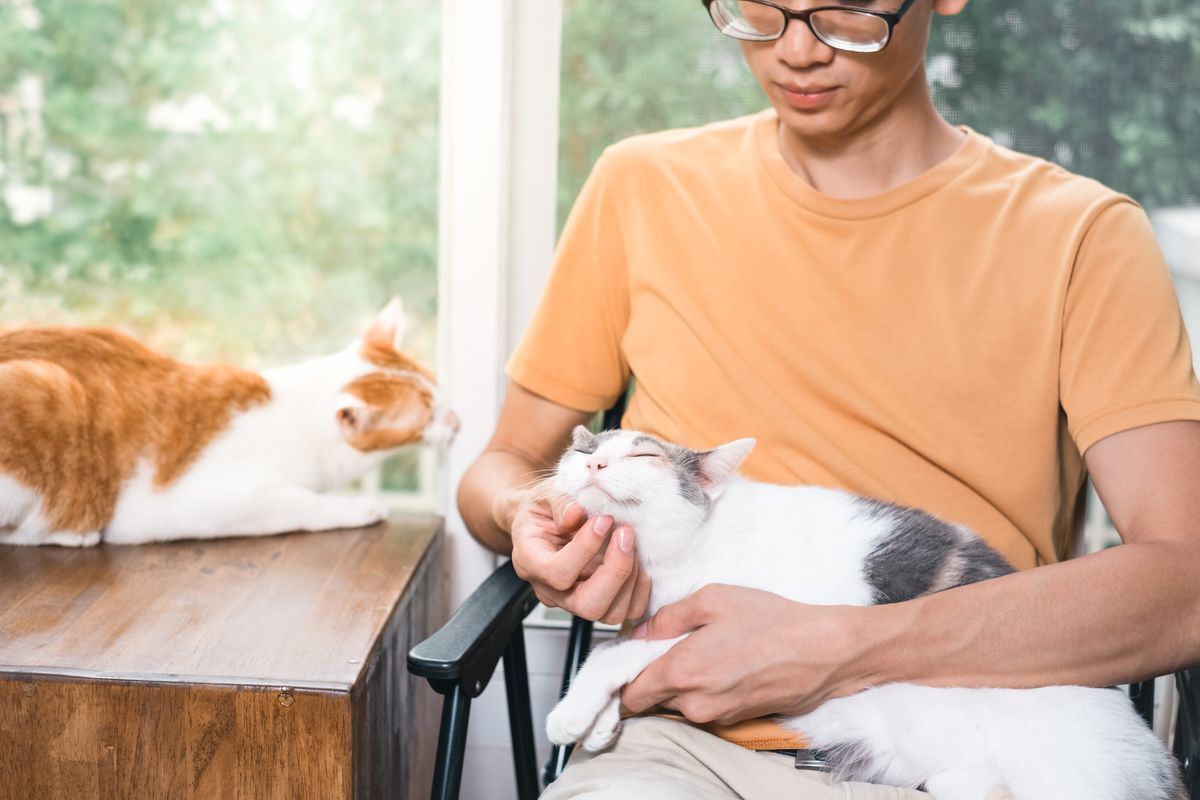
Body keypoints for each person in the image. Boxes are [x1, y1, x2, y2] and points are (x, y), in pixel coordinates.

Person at [457, 0, 1200, 796]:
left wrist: (841, 644)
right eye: (757, 11)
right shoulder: (641, 188)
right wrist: (524, 521)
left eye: (844, 12)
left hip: (983, 741)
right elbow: (502, 466)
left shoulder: (1083, 236)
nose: (796, 53)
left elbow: (1185, 582)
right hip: (685, 751)